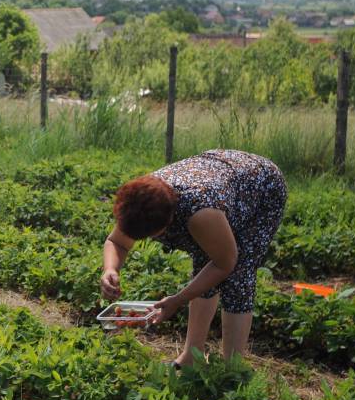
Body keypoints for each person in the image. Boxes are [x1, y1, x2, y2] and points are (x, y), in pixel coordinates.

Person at [101, 149, 286, 368]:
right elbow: (117, 242)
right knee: (204, 265)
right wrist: (110, 269)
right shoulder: (139, 201)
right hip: (218, 174)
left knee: (238, 275)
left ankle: (232, 369)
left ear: (169, 221)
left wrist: (178, 300)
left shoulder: (200, 212)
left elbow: (225, 263)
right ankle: (191, 356)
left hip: (260, 187)